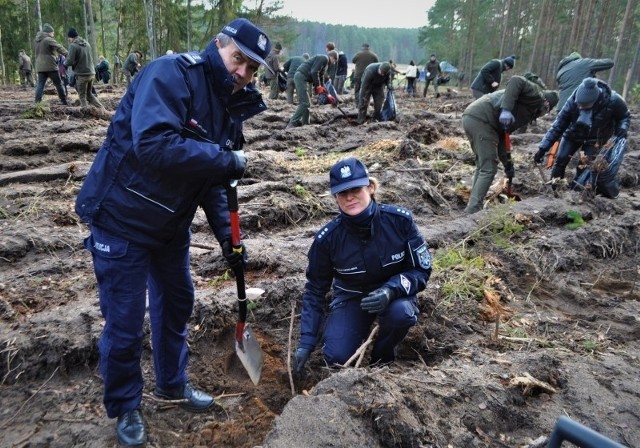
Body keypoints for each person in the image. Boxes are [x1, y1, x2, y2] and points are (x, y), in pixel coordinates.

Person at [74, 18, 272, 447]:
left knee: (178, 301)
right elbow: (153, 144)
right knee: (125, 323)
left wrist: (228, 240)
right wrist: (225, 160)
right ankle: (126, 404)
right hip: (122, 217)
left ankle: (172, 383)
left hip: (168, 225)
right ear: (219, 46)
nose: (242, 73)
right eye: (238, 58)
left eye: (252, 68)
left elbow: (214, 185)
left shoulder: (227, 106)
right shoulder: (171, 74)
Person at [293, 157, 431, 373]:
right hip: (352, 297)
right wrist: (306, 343)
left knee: (401, 314)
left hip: (394, 295)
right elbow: (315, 290)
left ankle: (381, 358)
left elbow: (421, 270)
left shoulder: (400, 222)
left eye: (355, 189)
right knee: (336, 357)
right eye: (342, 193)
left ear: (370, 187)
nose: (349, 197)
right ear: (335, 198)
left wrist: (390, 290)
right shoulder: (327, 240)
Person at [462, 75, 558, 214]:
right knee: (488, 168)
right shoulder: (536, 95)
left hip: (477, 118)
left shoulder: (528, 111)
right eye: (546, 112)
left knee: (483, 165)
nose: (543, 115)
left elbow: (502, 138)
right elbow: (516, 80)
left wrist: (508, 165)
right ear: (547, 105)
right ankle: (473, 210)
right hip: (482, 119)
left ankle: (473, 203)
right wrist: (506, 110)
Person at [534, 78, 630, 193]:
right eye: (579, 105)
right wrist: (543, 148)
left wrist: (622, 129)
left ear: (595, 102)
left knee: (584, 166)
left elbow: (624, 116)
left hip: (595, 138)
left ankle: (577, 193)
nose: (581, 108)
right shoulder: (572, 101)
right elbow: (558, 125)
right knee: (560, 159)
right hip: (572, 134)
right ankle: (554, 189)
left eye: (585, 106)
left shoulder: (613, 100)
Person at [286, 50, 338, 129]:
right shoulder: (324, 58)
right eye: (335, 60)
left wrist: (328, 94)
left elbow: (321, 78)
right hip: (300, 76)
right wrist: (318, 86)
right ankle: (292, 123)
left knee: (307, 103)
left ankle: (306, 124)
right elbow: (314, 72)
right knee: (304, 103)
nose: (334, 63)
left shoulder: (325, 64)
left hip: (302, 78)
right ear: (333, 57)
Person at [65, 28, 103, 109]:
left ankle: (85, 112)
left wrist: (64, 64)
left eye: (68, 38)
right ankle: (102, 109)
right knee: (89, 94)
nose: (68, 40)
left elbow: (70, 61)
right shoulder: (86, 43)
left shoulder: (73, 45)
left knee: (82, 96)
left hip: (82, 74)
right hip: (91, 73)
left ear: (70, 37)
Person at [34, 23, 68, 105]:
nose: (53, 35)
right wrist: (68, 54)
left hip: (40, 66)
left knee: (40, 84)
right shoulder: (48, 39)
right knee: (58, 83)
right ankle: (63, 100)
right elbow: (59, 47)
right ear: (48, 32)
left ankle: (37, 101)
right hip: (50, 66)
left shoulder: (37, 41)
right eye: (52, 33)